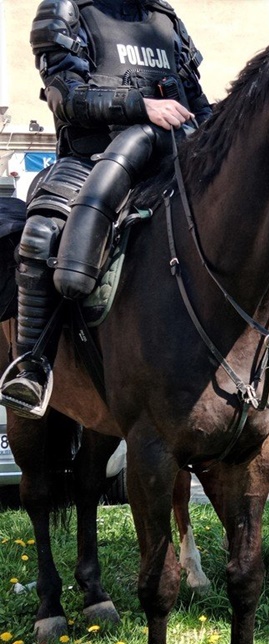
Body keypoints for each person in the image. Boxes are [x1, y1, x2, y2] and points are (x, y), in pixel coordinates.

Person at [0, 0, 212, 418]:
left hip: (172, 157)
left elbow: (197, 101)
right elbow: (67, 97)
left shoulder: (165, 20)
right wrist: (141, 105)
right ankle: (31, 367)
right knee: (41, 232)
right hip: (89, 158)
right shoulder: (66, 9)